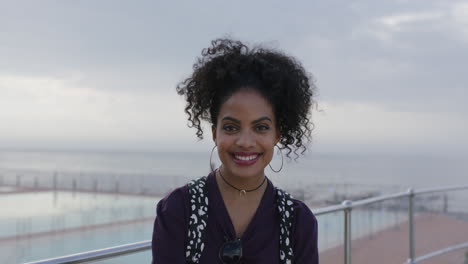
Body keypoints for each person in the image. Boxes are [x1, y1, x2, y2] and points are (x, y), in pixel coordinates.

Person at [152, 38, 318, 264]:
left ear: (277, 135)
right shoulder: (179, 209)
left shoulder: (298, 222)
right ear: (214, 133)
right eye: (231, 127)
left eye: (261, 128)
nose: (245, 142)